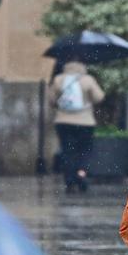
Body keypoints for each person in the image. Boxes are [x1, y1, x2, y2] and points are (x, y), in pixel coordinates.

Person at [49, 58, 105, 193]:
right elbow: (99, 97)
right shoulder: (87, 79)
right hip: (85, 122)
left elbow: (51, 100)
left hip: (63, 121)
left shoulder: (58, 79)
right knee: (84, 150)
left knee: (68, 151)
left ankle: (69, 180)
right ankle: (81, 173)